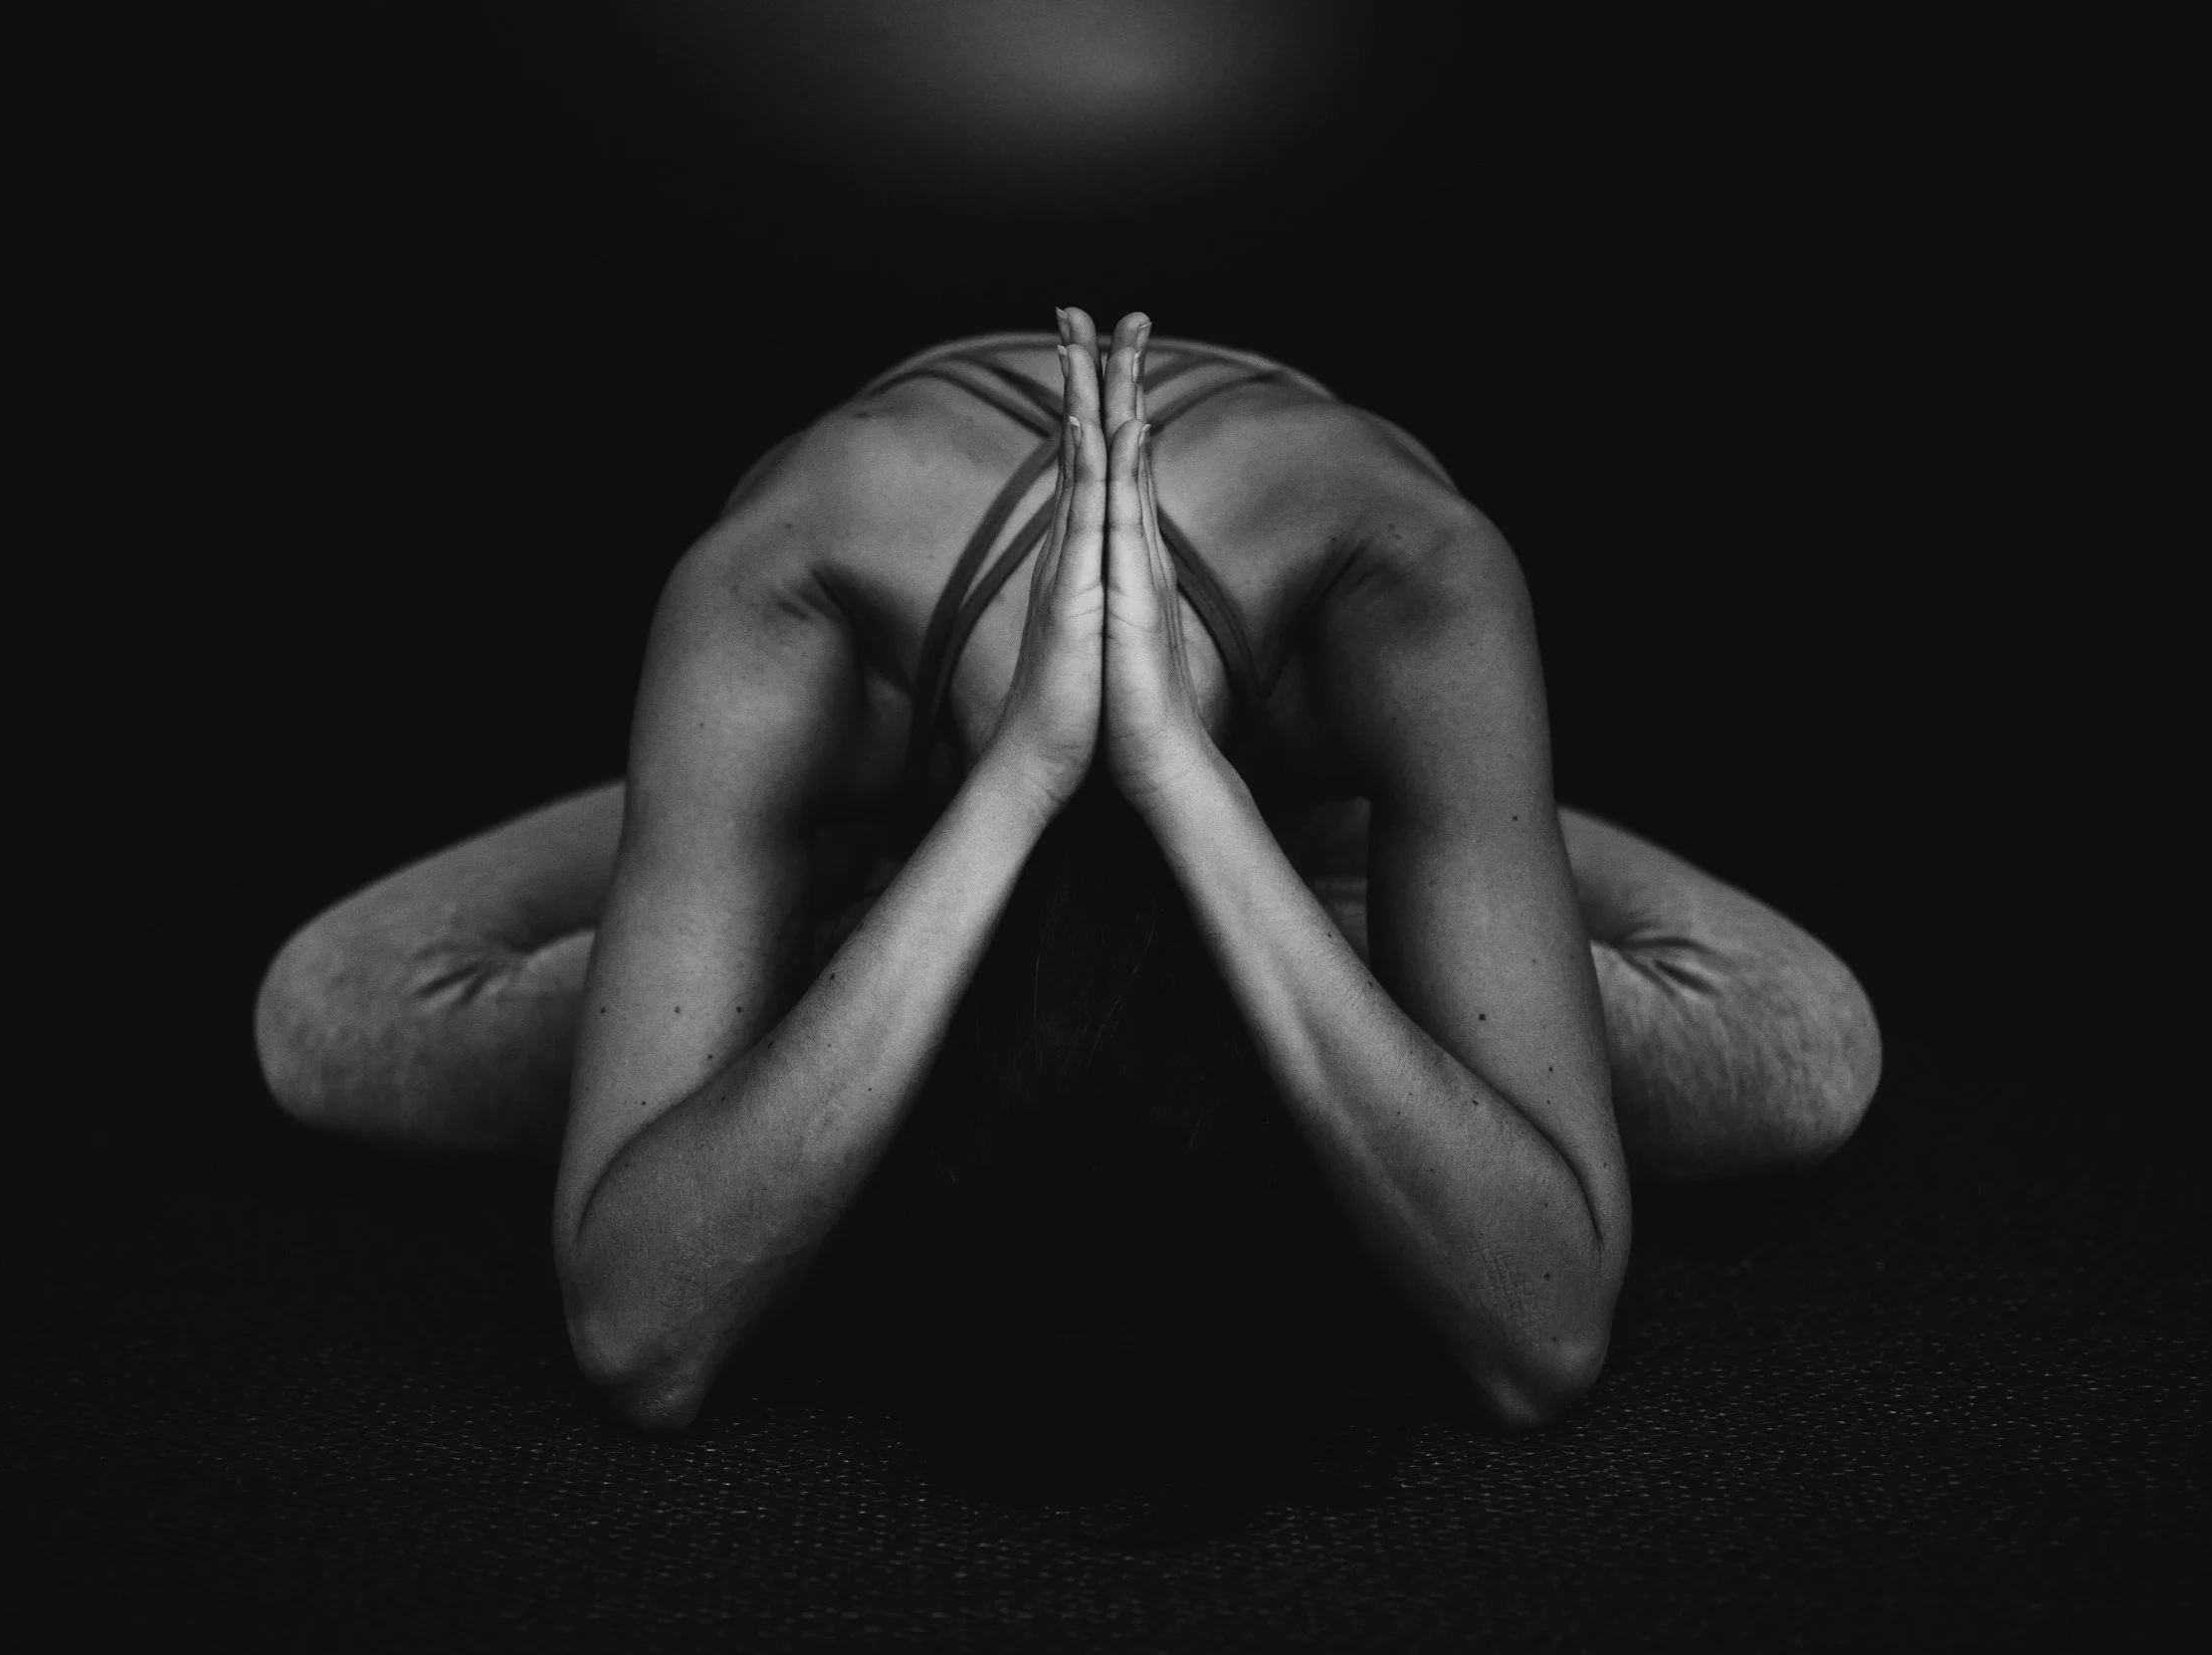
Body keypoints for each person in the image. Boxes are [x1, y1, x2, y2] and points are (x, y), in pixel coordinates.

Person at [254, 310, 1881, 1433]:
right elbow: (635, 1331)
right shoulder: (786, 592)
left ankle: (1182, 928)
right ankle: (862, 921)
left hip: (1258, 812)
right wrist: (1020, 775)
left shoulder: (1408, 575)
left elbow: (1548, 1336)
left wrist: (1184, 779)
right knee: (335, 1022)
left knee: (1796, 1057)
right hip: (899, 814)